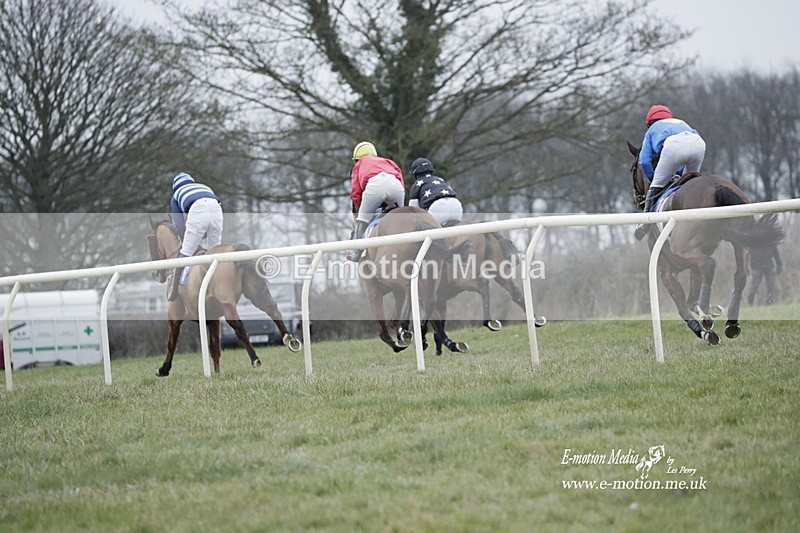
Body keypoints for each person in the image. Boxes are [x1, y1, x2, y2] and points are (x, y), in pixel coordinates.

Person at [634, 105, 707, 240]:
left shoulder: (651, 131)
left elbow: (644, 162)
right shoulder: (681, 123)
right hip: (699, 143)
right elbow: (682, 155)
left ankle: (645, 224)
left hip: (673, 145)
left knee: (656, 184)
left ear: (650, 124)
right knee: (689, 184)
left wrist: (654, 181)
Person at [346, 141, 406, 261]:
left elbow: (356, 192)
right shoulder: (387, 161)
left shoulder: (359, 165)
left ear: (357, 159)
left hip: (375, 187)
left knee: (362, 219)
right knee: (401, 218)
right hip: (396, 186)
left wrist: (360, 209)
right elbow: (400, 178)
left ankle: (356, 251)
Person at [168, 172, 223, 301]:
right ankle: (219, 284)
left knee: (185, 254)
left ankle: (174, 291)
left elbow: (179, 225)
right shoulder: (204, 186)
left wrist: (185, 240)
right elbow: (210, 217)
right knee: (215, 253)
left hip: (197, 209)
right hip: (217, 208)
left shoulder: (176, 195)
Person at [408, 157, 463, 227]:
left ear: (415, 174)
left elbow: (413, 210)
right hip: (456, 206)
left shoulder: (416, 185)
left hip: (438, 209)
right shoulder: (440, 179)